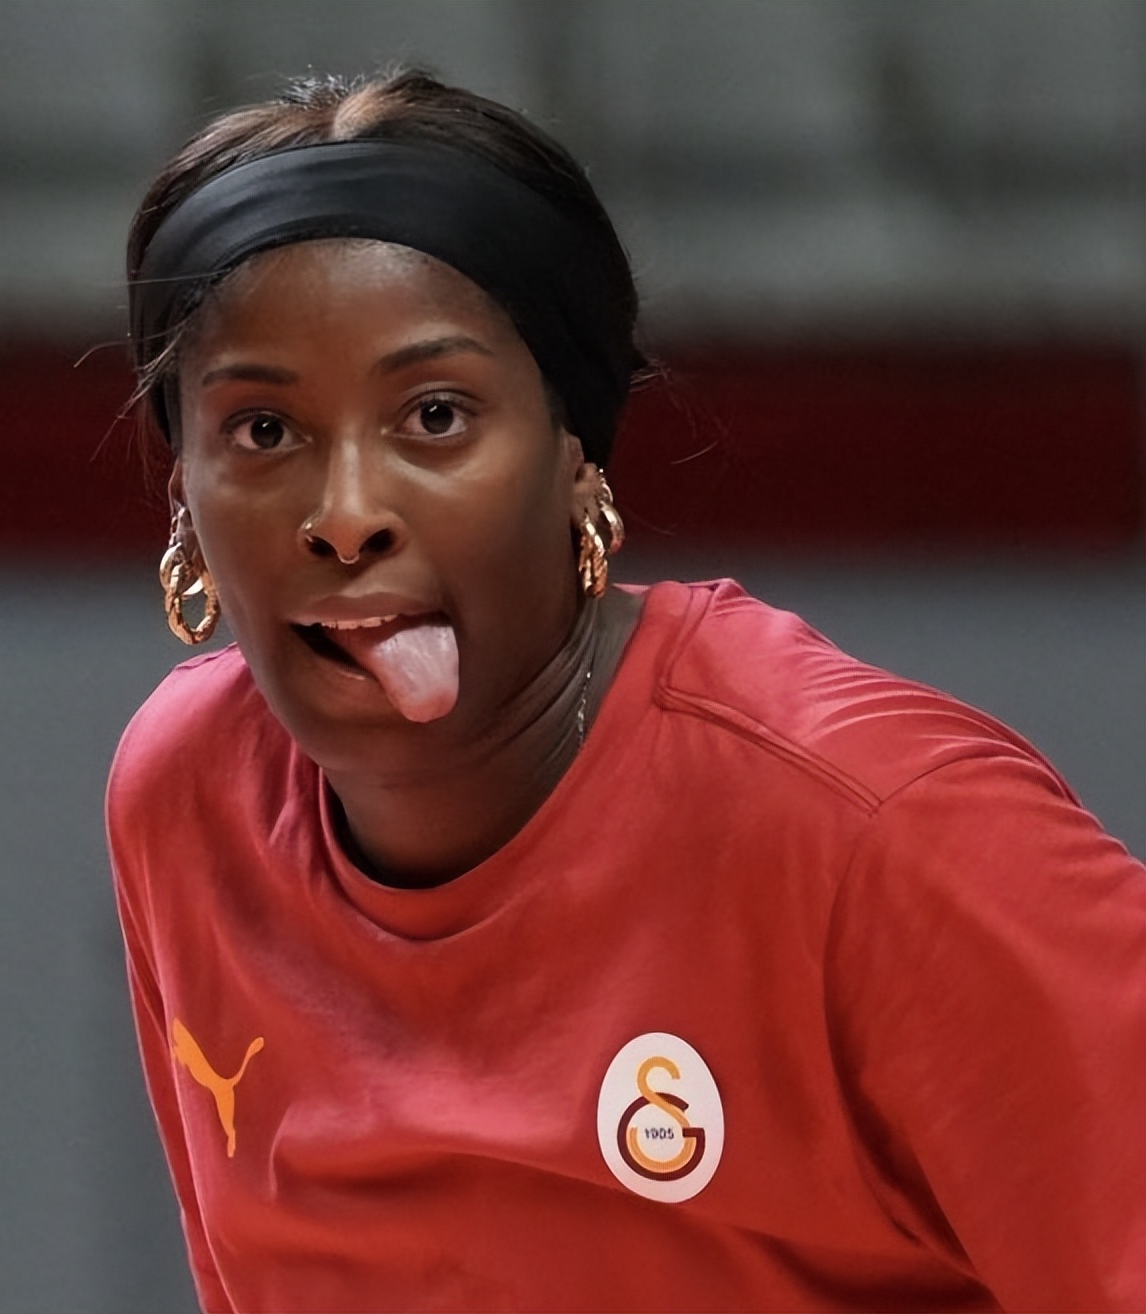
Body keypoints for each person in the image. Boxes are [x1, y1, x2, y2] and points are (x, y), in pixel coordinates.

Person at [107, 70, 1145, 1312]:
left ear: (574, 458)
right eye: (263, 432)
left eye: (434, 417)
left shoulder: (884, 832)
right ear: (184, 493)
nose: (345, 516)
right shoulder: (188, 795)